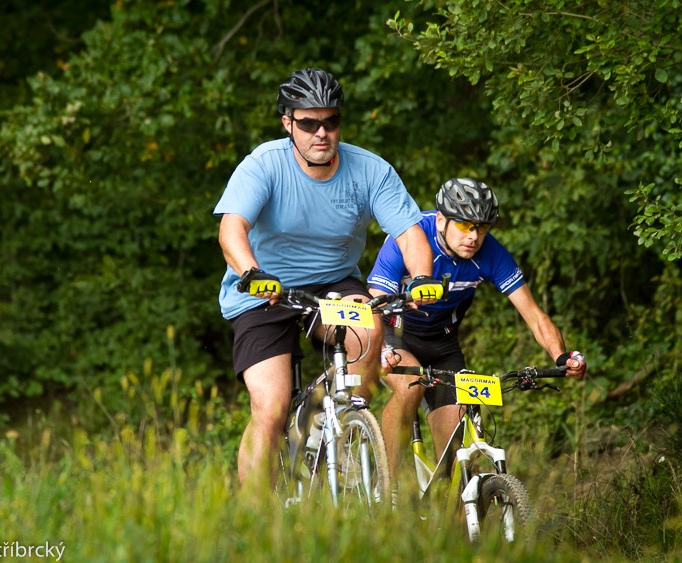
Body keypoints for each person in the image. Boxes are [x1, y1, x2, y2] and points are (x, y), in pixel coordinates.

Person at [214, 68, 438, 490]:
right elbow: (231, 230)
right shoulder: (263, 164)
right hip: (266, 289)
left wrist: (422, 277)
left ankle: (342, 428)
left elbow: (410, 233)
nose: (321, 132)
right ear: (288, 123)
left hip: (334, 282)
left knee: (369, 332)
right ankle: (252, 523)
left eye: (330, 121)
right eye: (308, 123)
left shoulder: (370, 170)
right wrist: (250, 273)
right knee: (271, 407)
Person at [366, 177, 587, 488]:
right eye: (465, 225)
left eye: (482, 228)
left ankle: (454, 519)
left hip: (443, 345)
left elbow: (536, 316)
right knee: (409, 389)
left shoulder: (490, 253)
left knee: (457, 448)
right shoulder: (410, 235)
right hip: (395, 336)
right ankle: (385, 493)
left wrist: (561, 356)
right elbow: (374, 303)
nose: (474, 236)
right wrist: (380, 350)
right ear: (441, 219)